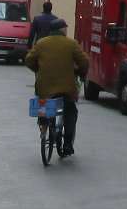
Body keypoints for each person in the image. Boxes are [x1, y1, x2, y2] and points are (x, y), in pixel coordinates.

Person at [24, 17, 84, 158]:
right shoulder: (71, 44)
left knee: (43, 102)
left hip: (44, 87)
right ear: (62, 29)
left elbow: (28, 60)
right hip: (66, 88)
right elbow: (84, 61)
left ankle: (43, 125)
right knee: (70, 111)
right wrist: (80, 72)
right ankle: (67, 144)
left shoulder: (41, 43)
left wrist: (38, 70)